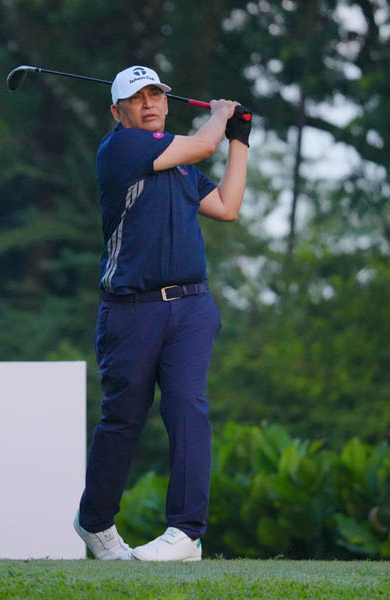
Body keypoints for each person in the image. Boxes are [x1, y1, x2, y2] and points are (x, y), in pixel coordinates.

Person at [73, 65, 250, 562]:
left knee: (187, 408)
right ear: (118, 112)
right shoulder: (121, 149)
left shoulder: (180, 165)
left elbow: (227, 206)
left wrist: (240, 139)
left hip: (192, 307)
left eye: (155, 94)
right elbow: (203, 144)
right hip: (131, 309)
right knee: (123, 419)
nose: (149, 103)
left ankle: (187, 534)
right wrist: (220, 116)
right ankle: (95, 522)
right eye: (137, 98)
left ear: (167, 103)